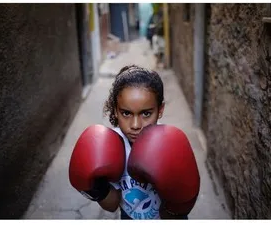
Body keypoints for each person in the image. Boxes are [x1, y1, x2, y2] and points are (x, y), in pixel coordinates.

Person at [68, 65, 200, 219]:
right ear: (115, 110)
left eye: (146, 113)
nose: (136, 125)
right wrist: (97, 189)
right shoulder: (109, 147)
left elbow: (173, 213)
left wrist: (178, 205)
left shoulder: (171, 145)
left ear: (160, 109)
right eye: (126, 113)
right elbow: (112, 205)